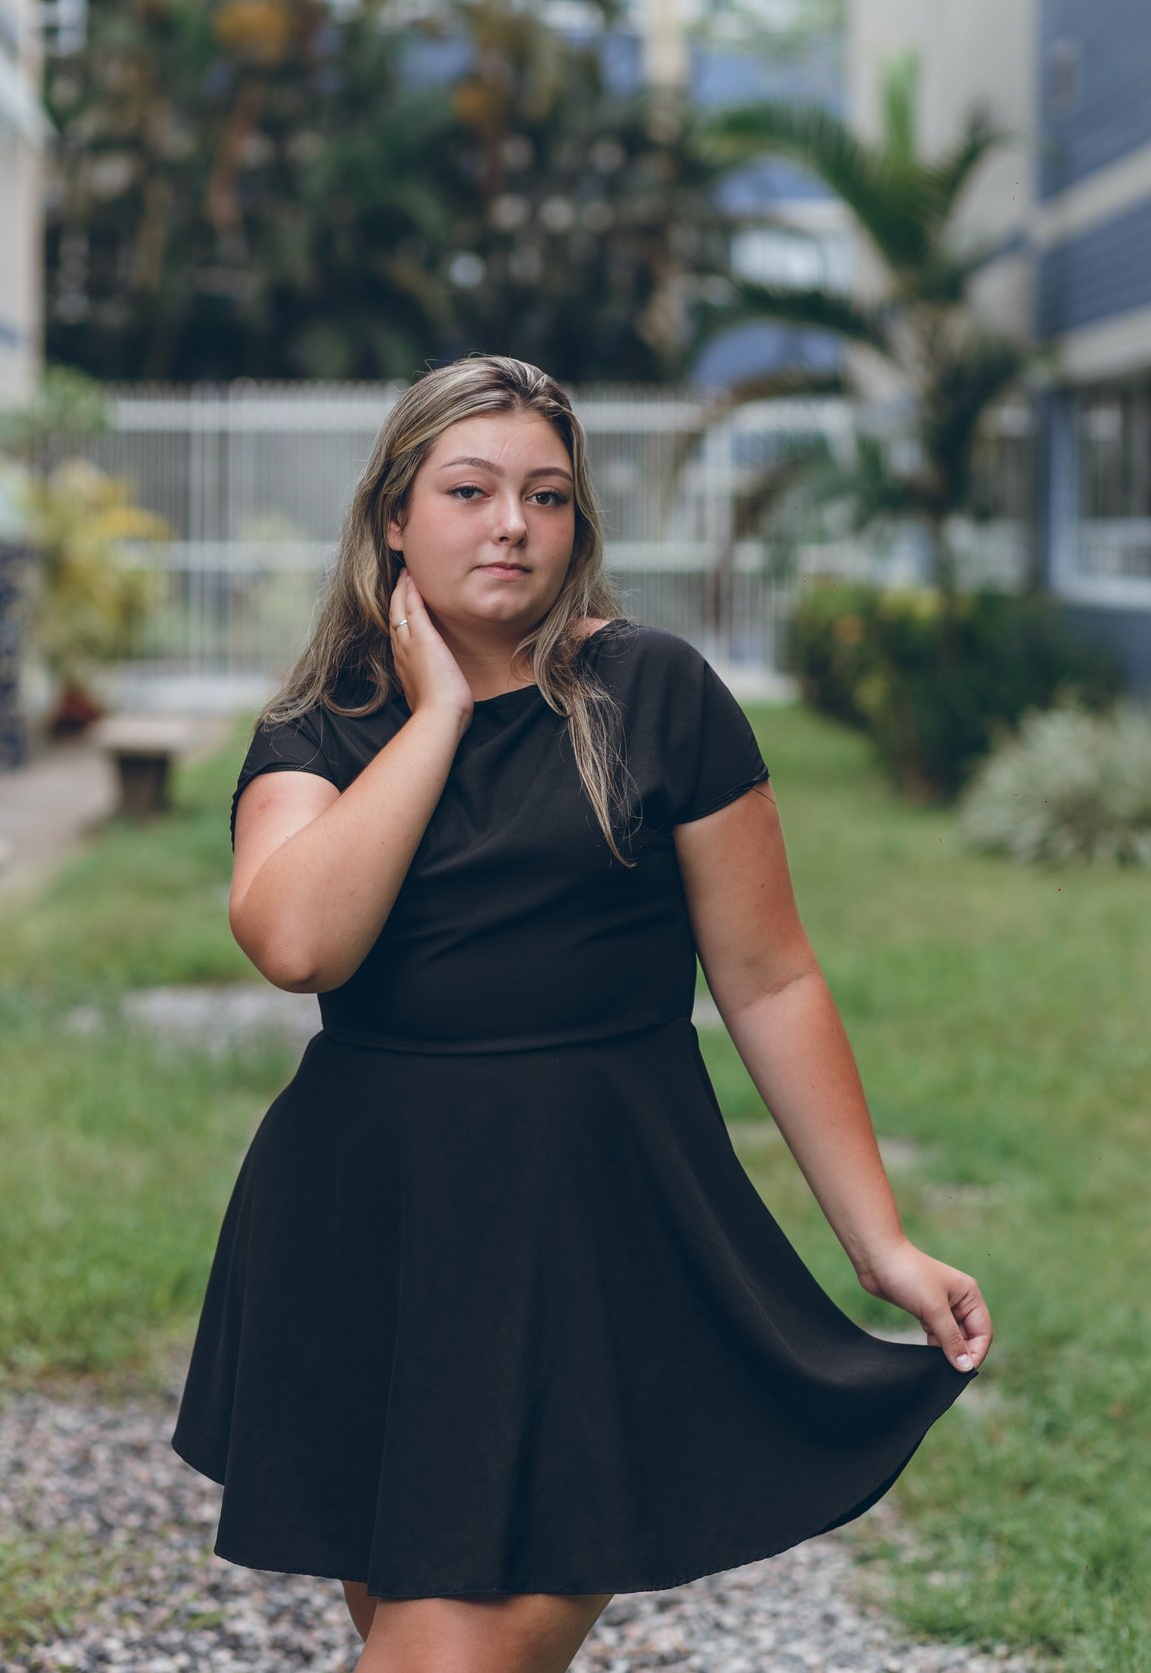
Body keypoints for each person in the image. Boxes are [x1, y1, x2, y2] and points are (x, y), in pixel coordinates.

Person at [171, 352, 992, 1673]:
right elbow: (298, 940)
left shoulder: (657, 695)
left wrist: (881, 1244)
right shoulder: (322, 727)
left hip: (593, 1235)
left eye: (547, 497)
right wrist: (438, 711)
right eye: (472, 489)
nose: (512, 524)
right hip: (374, 1238)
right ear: (394, 516)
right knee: (408, 1627)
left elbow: (771, 978)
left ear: (580, 523)